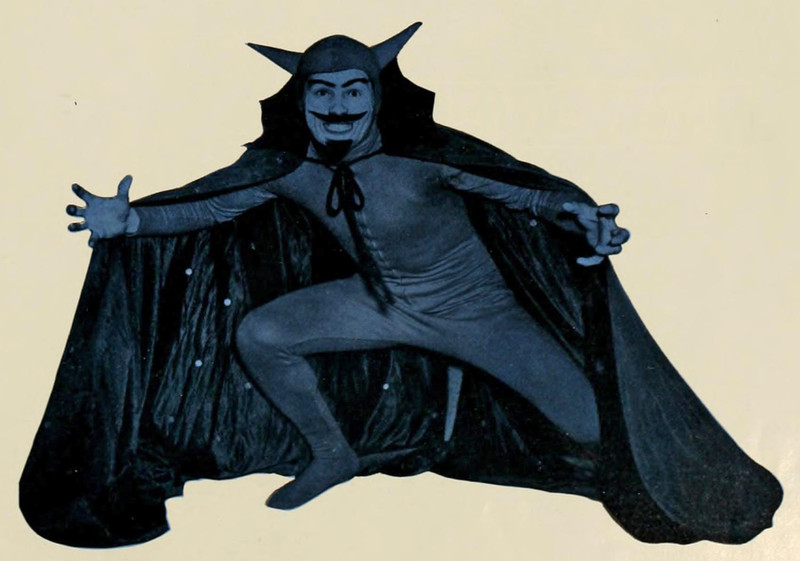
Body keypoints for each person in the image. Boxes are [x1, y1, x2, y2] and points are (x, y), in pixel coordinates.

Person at [22, 23, 781, 547]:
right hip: (379, 304)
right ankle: (333, 452)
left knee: (589, 424)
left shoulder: (425, 159)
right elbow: (212, 205)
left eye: (353, 91)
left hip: (477, 311)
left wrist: (582, 218)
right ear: (301, 101)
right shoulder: (286, 169)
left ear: (377, 96)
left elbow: (526, 194)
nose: (338, 108)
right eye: (323, 93)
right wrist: (130, 222)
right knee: (262, 333)